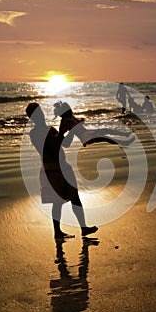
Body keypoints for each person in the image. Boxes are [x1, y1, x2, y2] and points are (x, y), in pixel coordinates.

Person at [26, 102, 98, 239]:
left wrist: (70, 130)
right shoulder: (34, 133)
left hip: (63, 167)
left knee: (75, 198)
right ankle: (57, 232)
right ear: (32, 118)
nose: (40, 115)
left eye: (40, 112)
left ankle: (83, 228)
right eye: (36, 114)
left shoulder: (50, 129)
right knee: (57, 202)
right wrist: (62, 131)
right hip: (51, 170)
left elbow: (65, 144)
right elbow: (51, 147)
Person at [53, 101, 135, 147]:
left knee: (106, 130)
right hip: (85, 137)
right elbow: (62, 136)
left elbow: (77, 125)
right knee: (105, 137)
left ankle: (125, 134)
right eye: (69, 109)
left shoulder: (71, 117)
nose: (71, 111)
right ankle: (125, 142)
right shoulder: (64, 121)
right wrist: (68, 134)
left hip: (88, 132)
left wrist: (80, 121)